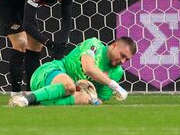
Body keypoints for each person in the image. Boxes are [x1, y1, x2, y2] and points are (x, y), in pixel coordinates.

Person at [0, 0, 78, 96]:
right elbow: (27, 24)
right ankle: (16, 93)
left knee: (36, 45)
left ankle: (32, 92)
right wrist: (50, 44)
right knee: (21, 42)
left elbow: (66, 19)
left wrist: (62, 45)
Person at [9, 36, 137, 107]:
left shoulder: (117, 72)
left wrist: (93, 100)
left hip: (61, 93)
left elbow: (100, 100)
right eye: (122, 55)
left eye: (127, 59)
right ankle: (27, 99)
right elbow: (89, 68)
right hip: (48, 73)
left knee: (85, 99)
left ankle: (39, 101)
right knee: (69, 85)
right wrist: (114, 85)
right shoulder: (94, 45)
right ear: (114, 45)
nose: (123, 61)